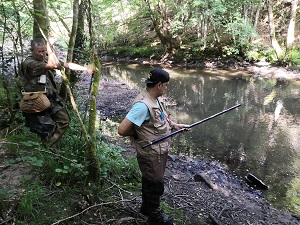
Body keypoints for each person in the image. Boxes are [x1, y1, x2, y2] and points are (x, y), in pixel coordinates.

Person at [118, 68, 189, 225]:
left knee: (149, 180)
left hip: (158, 151)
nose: (166, 88)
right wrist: (139, 135)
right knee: (155, 184)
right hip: (150, 153)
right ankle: (155, 219)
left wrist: (176, 125)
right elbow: (122, 130)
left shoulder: (155, 99)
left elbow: (161, 119)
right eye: (166, 85)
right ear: (159, 85)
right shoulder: (142, 106)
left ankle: (146, 209)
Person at [20, 36, 92, 146]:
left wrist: (85, 69)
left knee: (64, 120)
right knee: (43, 127)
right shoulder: (30, 63)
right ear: (32, 51)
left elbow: (65, 64)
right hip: (36, 101)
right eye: (38, 51)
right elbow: (52, 65)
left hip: (50, 98)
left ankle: (49, 144)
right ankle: (44, 148)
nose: (42, 54)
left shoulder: (45, 58)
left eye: (43, 51)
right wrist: (49, 46)